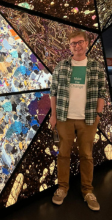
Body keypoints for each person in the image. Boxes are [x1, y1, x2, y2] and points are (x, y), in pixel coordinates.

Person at [49, 30, 106, 211]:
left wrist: (98, 115)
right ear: (69, 46)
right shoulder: (62, 66)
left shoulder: (96, 67)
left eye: (80, 42)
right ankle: (62, 188)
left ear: (87, 43)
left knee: (87, 155)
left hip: (88, 118)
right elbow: (54, 92)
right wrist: (53, 115)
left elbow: (101, 93)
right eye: (73, 43)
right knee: (63, 154)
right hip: (65, 118)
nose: (76, 46)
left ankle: (88, 191)